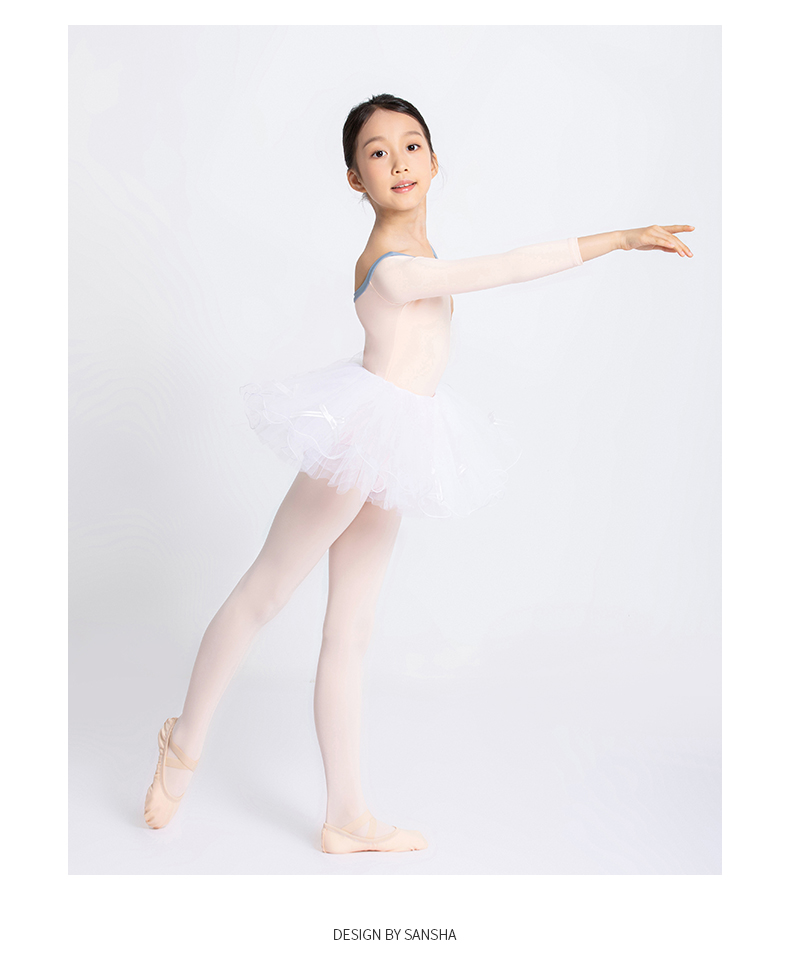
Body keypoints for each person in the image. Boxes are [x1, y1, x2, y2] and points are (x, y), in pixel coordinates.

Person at [143, 92, 694, 853]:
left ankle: (346, 816)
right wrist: (620, 239)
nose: (398, 162)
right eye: (377, 152)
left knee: (352, 627)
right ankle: (184, 742)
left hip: (398, 442)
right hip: (363, 434)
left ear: (435, 162)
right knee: (265, 591)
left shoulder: (420, 252)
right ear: (354, 178)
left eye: (411, 146)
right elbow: (505, 268)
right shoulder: (393, 267)